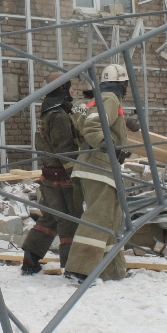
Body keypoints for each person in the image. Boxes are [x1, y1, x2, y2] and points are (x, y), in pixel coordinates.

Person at [65, 64, 132, 283]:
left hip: (102, 168)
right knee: (97, 220)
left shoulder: (95, 100)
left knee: (110, 222)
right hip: (99, 168)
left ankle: (112, 270)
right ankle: (78, 270)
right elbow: (94, 125)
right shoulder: (110, 98)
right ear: (122, 84)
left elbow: (82, 114)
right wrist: (105, 142)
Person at [21, 71, 82, 274]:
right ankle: (73, 267)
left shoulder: (48, 112)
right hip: (61, 178)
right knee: (69, 220)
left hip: (50, 174)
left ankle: (31, 257)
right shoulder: (59, 116)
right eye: (69, 86)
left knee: (50, 218)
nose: (73, 90)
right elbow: (65, 150)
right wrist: (76, 176)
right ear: (62, 89)